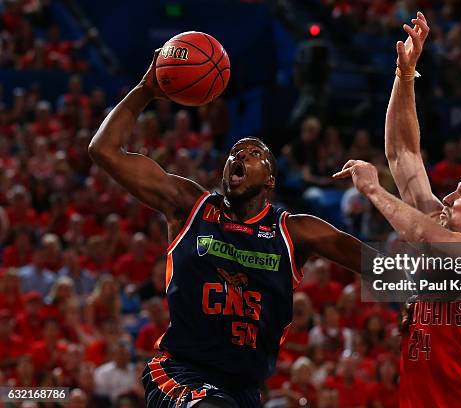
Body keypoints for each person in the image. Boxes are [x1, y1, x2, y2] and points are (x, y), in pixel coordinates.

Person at [88, 50, 367, 408]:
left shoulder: (295, 232)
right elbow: (103, 150)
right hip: (180, 372)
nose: (239, 156)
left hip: (244, 390)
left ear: (269, 179)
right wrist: (145, 89)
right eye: (235, 152)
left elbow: (376, 263)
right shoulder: (191, 205)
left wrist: (437, 286)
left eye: (253, 154)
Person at [333, 12, 461, 408]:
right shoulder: (442, 231)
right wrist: (405, 74)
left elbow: (421, 234)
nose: (448, 198)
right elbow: (403, 153)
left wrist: (375, 191)